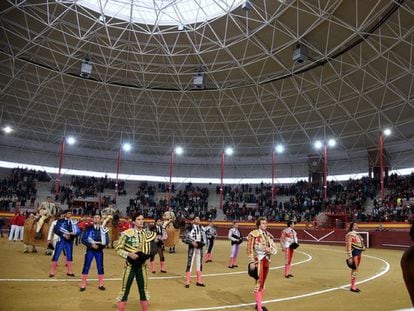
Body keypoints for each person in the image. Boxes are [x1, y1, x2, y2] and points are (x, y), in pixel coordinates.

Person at [115, 213, 157, 311]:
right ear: (133, 221)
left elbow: (151, 248)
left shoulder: (147, 234)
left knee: (143, 291)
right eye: (138, 219)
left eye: (142, 219)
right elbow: (118, 248)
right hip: (129, 266)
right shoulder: (127, 233)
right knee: (125, 291)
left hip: (142, 266)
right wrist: (128, 254)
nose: (141, 221)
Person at [247, 217, 277, 311]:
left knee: (262, 283)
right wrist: (251, 261)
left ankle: (258, 304)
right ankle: (259, 308)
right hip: (258, 260)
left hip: (266, 260)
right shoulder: (254, 234)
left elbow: (275, 249)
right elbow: (249, 248)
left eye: (266, 223)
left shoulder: (268, 235)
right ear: (259, 225)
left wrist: (270, 250)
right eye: (263, 223)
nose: (265, 224)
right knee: (259, 283)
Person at [80, 213, 109, 291]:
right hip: (90, 250)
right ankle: (83, 284)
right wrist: (91, 245)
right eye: (95, 217)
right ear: (93, 219)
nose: (96, 219)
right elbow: (83, 239)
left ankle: (100, 284)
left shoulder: (103, 229)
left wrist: (100, 246)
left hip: (99, 250)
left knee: (100, 266)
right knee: (86, 265)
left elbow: (107, 241)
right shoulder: (88, 228)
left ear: (100, 219)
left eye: (98, 218)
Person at [49, 210, 80, 277]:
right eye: (69, 213)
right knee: (56, 254)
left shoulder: (73, 222)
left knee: (69, 255)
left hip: (69, 241)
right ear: (65, 214)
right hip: (61, 240)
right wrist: (63, 234)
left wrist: (72, 235)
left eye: (71, 213)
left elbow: (78, 231)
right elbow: (56, 230)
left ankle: (69, 271)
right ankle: (52, 271)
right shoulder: (60, 221)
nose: (70, 214)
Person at [182, 215, 207, 288]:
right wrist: (192, 242)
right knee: (190, 263)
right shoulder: (190, 227)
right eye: (196, 218)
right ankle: (187, 282)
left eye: (199, 218)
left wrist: (202, 244)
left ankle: (199, 281)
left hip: (199, 247)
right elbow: (184, 237)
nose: (198, 219)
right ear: (193, 220)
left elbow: (205, 238)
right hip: (192, 247)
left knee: (199, 264)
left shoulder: (202, 228)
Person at [345, 221, 365, 293]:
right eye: (355, 225)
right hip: (354, 253)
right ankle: (353, 287)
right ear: (352, 227)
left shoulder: (357, 234)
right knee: (355, 268)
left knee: (356, 269)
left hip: (358, 252)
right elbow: (348, 245)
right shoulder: (350, 234)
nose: (357, 226)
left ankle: (353, 286)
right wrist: (350, 257)